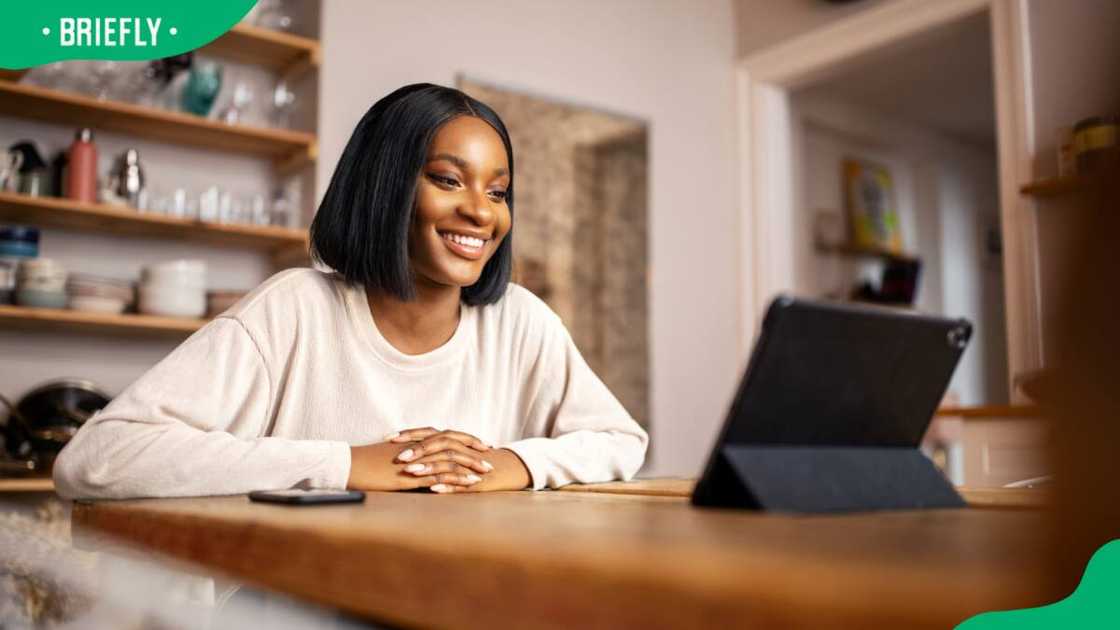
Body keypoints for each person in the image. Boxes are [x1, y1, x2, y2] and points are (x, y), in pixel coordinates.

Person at [53, 83, 648, 499]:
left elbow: (621, 441)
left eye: (498, 193)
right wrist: (346, 463)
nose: (480, 212)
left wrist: (511, 462)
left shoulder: (521, 321)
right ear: (384, 186)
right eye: (447, 180)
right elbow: (97, 459)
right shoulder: (293, 308)